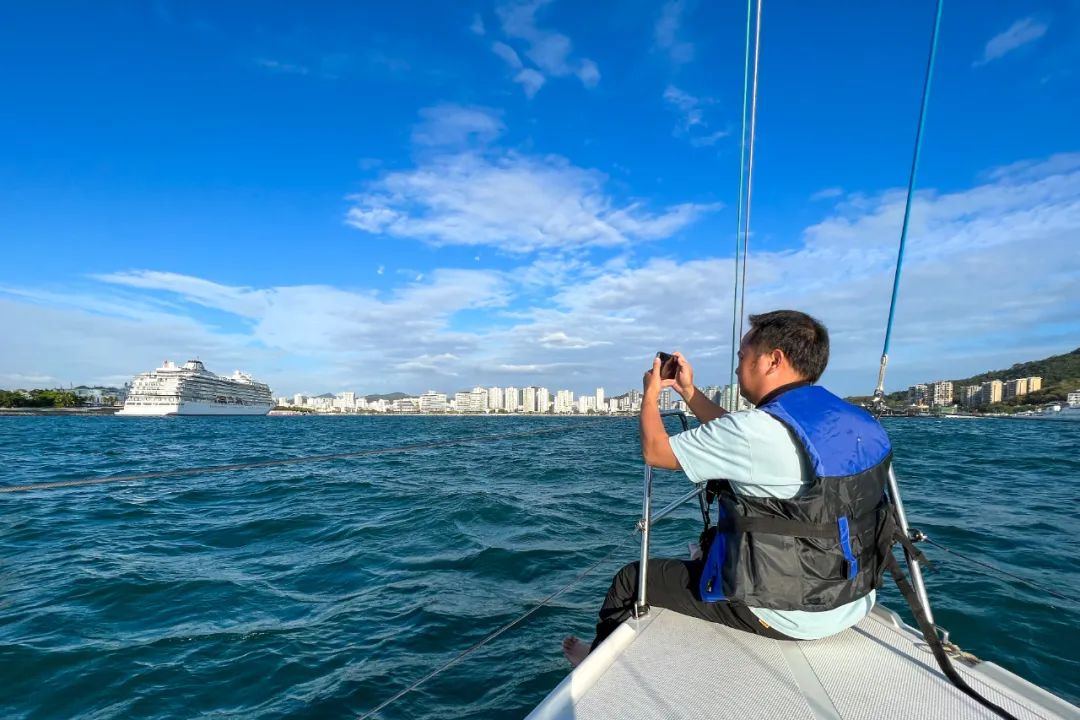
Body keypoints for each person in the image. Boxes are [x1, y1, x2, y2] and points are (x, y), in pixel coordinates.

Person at [562, 310, 893, 667]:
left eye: (741, 356)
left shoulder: (755, 429)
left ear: (773, 360)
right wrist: (688, 392)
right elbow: (739, 435)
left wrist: (651, 393)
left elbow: (656, 452)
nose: (737, 368)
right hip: (854, 598)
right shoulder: (852, 420)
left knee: (631, 580)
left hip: (790, 614)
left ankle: (593, 658)